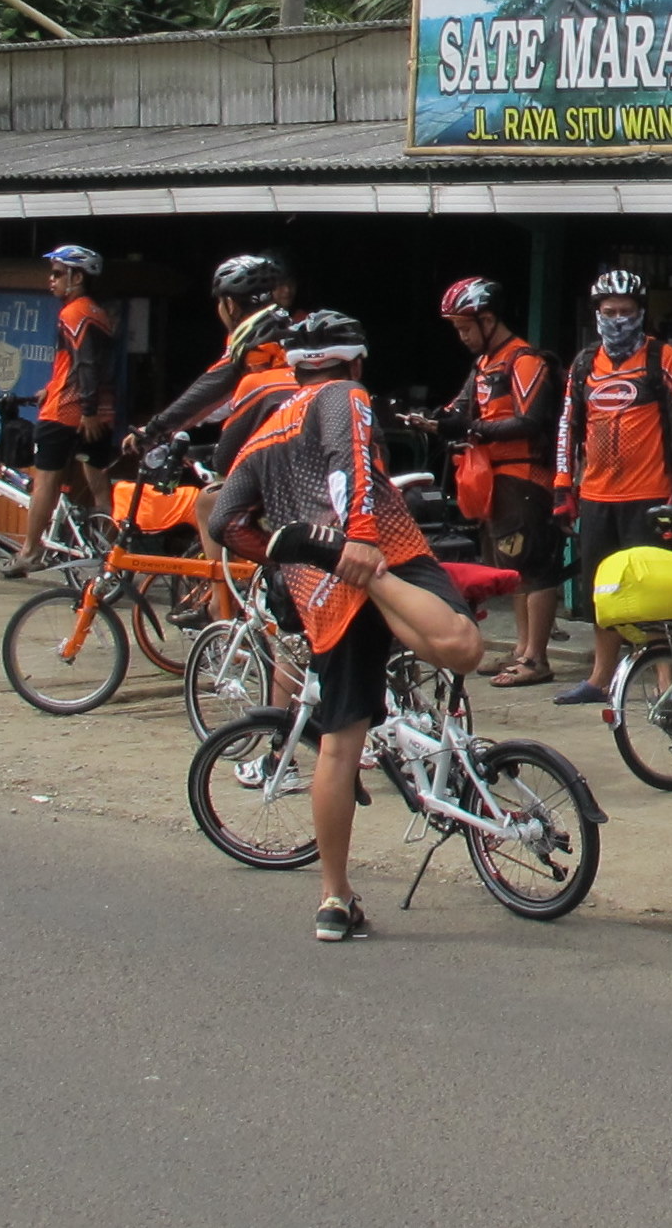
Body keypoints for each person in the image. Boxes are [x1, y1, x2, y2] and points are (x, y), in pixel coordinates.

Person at [204, 308, 486, 942]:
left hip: (317, 589)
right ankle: (376, 583)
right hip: (383, 550)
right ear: (354, 360)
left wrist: (285, 557)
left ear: (295, 367)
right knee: (462, 649)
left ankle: (335, 900)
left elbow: (225, 520)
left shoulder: (264, 431)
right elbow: (351, 463)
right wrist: (358, 546)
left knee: (340, 743)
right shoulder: (347, 394)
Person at [551, 268, 672, 707]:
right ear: (596, 313)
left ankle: (664, 682)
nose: (617, 319)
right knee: (602, 591)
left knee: (652, 593)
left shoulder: (662, 359)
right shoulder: (582, 364)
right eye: (608, 312)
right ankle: (600, 677)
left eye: (626, 312)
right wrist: (562, 485)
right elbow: (567, 426)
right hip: (596, 496)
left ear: (641, 313)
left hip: (649, 496)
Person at [429, 277, 563, 687]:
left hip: (524, 477)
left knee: (534, 567)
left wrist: (478, 428)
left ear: (488, 319)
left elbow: (531, 419)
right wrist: (440, 419)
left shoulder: (523, 360)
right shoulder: (484, 365)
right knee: (512, 569)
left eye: (465, 326)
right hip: (492, 481)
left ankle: (536, 657)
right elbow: (461, 407)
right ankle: (521, 649)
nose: (462, 335)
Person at [130, 253, 298, 468]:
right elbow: (226, 395)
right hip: (296, 435)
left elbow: (213, 385)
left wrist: (155, 429)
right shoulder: (284, 327)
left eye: (220, 301)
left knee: (217, 483)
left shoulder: (253, 341)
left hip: (278, 443)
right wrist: (172, 428)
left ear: (230, 304)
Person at [14, 245, 117, 577]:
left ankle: (30, 553)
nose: (52, 280)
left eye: (58, 274)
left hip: (66, 412)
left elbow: (85, 364)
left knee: (45, 480)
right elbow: (83, 364)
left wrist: (83, 408)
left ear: (77, 277)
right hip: (101, 412)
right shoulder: (99, 313)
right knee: (100, 484)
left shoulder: (73, 312)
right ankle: (112, 555)